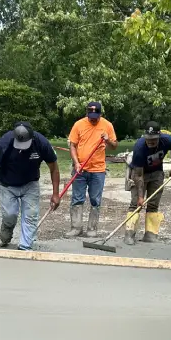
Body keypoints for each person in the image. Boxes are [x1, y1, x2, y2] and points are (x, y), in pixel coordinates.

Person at [0, 122, 60, 250]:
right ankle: (7, 228)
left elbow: (54, 168)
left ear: (32, 137)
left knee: (31, 216)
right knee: (10, 215)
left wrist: (55, 194)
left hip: (30, 183)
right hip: (7, 184)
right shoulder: (4, 143)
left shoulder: (42, 143)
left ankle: (25, 247)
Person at [66, 101, 118, 238]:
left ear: (100, 114)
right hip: (80, 169)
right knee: (77, 198)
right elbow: (72, 145)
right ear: (87, 113)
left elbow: (114, 146)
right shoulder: (79, 124)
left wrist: (107, 140)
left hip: (98, 170)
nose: (93, 119)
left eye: (96, 116)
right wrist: (76, 163)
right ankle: (76, 228)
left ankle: (92, 228)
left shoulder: (107, 125)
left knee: (95, 199)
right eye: (90, 116)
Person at [125, 121, 171, 244]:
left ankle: (150, 234)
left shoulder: (168, 140)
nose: (150, 142)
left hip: (156, 172)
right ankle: (129, 234)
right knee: (136, 203)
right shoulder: (139, 147)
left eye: (154, 140)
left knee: (153, 203)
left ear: (159, 135)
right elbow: (138, 175)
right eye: (148, 139)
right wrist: (140, 197)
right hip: (140, 173)